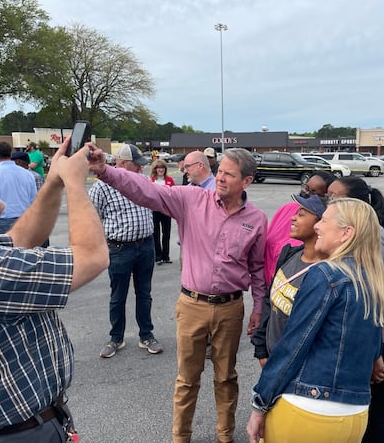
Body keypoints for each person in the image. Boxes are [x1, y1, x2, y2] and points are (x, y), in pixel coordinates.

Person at [88, 146, 267, 443]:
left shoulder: (256, 220)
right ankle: (180, 437)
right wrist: (105, 170)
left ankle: (225, 435)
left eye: (229, 174)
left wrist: (259, 307)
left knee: (226, 377)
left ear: (246, 182)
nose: (220, 178)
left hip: (231, 309)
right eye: (219, 171)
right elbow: (144, 190)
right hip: (192, 305)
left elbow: (258, 268)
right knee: (187, 380)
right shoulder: (191, 199)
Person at [0, 140, 108, 442]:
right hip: (22, 434)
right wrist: (75, 182)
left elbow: (23, 236)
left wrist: (54, 183)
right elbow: (92, 255)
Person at [247, 198, 384, 443]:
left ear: (347, 233)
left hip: (309, 409)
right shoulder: (371, 277)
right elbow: (373, 345)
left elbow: (293, 346)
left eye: (324, 220)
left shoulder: (325, 275)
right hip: (354, 414)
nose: (317, 227)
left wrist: (260, 402)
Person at [328, 176, 384, 443]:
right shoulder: (369, 230)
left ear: (355, 206)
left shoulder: (370, 238)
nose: (329, 202)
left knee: (376, 414)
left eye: (335, 198)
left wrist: (373, 354)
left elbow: (379, 302)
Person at [89, 144, 163, 358]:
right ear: (121, 163)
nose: (141, 169)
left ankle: (146, 335)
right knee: (118, 295)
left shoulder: (143, 182)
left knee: (144, 293)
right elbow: (93, 219)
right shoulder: (101, 188)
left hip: (145, 245)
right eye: (136, 165)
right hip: (120, 248)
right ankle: (116, 338)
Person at [251, 193, 326, 367]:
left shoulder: (324, 272)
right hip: (272, 360)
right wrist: (261, 350)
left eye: (301, 215)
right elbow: (270, 300)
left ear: (321, 225)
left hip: (296, 368)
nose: (292, 218)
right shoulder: (289, 254)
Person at [264, 170, 335, 286]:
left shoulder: (321, 225)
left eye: (313, 192)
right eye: (306, 187)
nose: (306, 193)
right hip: (270, 288)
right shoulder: (287, 209)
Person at [0, 141, 37, 234]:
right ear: (10, 154)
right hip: (25, 218)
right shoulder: (27, 174)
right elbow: (33, 199)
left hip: (4, 221)